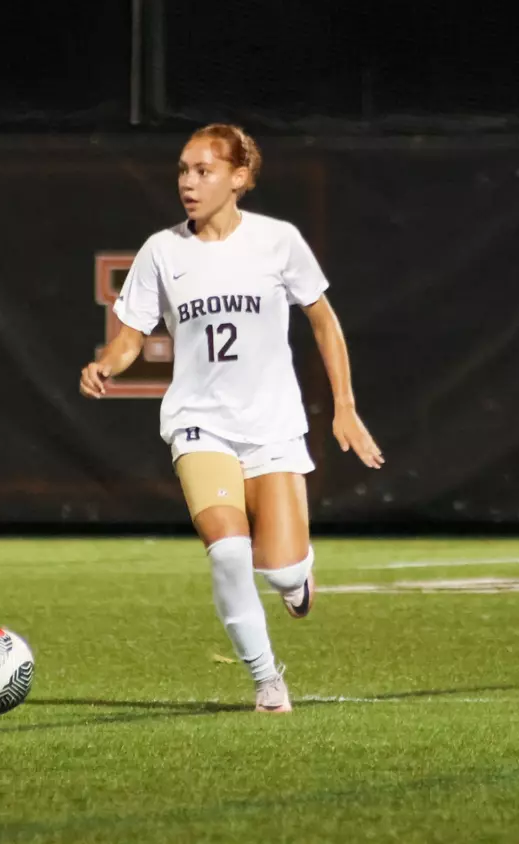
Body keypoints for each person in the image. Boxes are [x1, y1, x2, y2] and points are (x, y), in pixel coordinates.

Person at [79, 123, 383, 713]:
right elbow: (131, 336)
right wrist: (106, 365)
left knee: (280, 569)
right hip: (199, 422)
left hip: (272, 425)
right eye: (183, 171)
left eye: (204, 171)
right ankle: (267, 680)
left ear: (239, 178)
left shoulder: (278, 241)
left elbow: (323, 320)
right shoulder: (162, 251)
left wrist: (344, 407)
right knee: (226, 551)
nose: (188, 183)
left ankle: (297, 576)